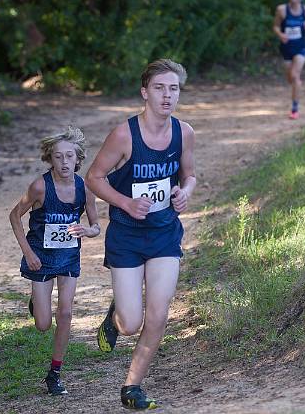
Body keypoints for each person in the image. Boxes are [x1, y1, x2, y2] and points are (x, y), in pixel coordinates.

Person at [85, 59, 196, 410]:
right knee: (131, 322)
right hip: (127, 236)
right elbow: (94, 178)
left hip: (164, 234)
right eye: (160, 88)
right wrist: (126, 203)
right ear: (145, 92)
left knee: (159, 314)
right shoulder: (124, 134)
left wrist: (185, 192)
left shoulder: (184, 133)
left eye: (173, 88)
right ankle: (117, 313)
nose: (167, 95)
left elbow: (189, 175)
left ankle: (132, 385)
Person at [9, 126, 100, 395]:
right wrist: (28, 253)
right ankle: (38, 305)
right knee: (43, 324)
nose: (64, 162)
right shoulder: (39, 186)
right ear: (50, 159)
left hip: (69, 256)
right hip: (41, 257)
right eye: (58, 157)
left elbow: (96, 225)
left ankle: (55, 373)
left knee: (66, 313)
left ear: (78, 158)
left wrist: (88, 230)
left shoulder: (85, 188)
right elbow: (15, 216)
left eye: (69, 156)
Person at [272, 0, 305, 120]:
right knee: (291, 79)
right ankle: (297, 85)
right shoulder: (282, 10)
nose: (293, 0)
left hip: (300, 48)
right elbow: (275, 26)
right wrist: (280, 35)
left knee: (294, 75)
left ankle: (294, 108)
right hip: (286, 48)